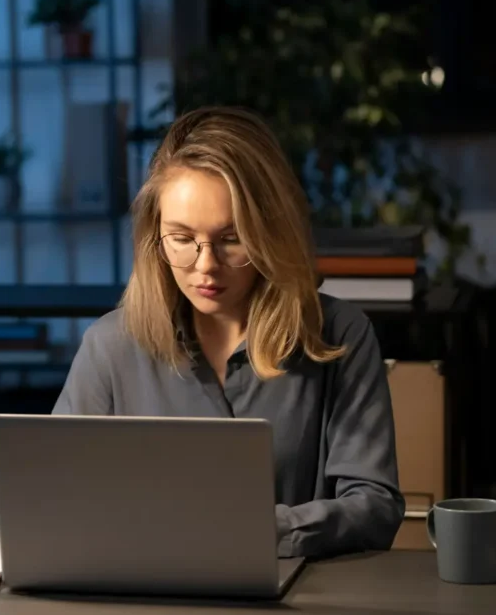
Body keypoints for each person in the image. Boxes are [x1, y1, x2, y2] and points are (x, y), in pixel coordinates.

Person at [52, 106, 405, 559]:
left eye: (231, 239)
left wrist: (257, 530)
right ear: (153, 237)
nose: (205, 266)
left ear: (270, 233)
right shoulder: (110, 346)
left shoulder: (338, 334)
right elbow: (59, 502)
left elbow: (374, 507)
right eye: (180, 238)